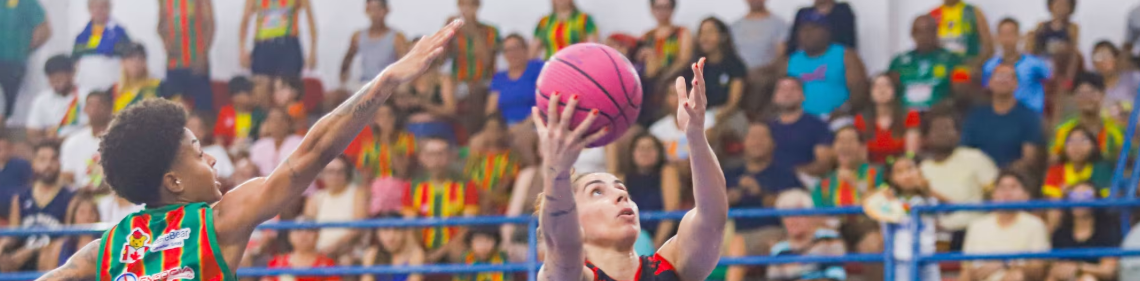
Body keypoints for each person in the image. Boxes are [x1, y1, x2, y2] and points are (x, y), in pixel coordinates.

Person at [33, 19, 462, 281]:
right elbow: (310, 155)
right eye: (199, 154)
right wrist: (385, 82)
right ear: (174, 181)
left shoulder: (111, 247)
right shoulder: (216, 221)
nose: (212, 159)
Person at [534, 58, 727, 281]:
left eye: (621, 189)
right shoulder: (569, 274)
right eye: (597, 191)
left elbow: (712, 216)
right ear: (574, 217)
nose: (620, 195)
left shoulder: (670, 265)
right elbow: (562, 244)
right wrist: (557, 171)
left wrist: (695, 135)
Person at [724, 122, 804, 281]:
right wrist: (727, 199)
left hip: (770, 231)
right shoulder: (730, 174)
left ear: (772, 143)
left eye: (762, 137)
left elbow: (797, 206)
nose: (757, 142)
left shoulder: (785, 174)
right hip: (731, 234)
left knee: (772, 245)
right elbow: (707, 209)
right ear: (744, 142)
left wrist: (760, 193)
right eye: (752, 137)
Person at [919, 112, 998, 251]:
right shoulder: (921, 169)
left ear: (958, 134)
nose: (942, 133)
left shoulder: (975, 158)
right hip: (933, 234)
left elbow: (995, 195)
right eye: (937, 129)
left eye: (948, 128)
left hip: (971, 231)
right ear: (926, 137)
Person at [401, 136, 480, 262]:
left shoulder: (466, 185)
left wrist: (440, 252)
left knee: (460, 252)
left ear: (450, 156)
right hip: (422, 245)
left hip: (454, 245)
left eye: (441, 153)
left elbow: (466, 226)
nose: (436, 159)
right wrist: (419, 250)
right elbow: (410, 226)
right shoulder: (412, 186)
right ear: (422, 157)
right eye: (431, 154)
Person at [960, 172, 1050, 281]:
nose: (1007, 193)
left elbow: (1039, 270)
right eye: (1002, 188)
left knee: (1017, 277)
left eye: (1013, 187)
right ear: (993, 194)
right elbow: (967, 270)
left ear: (1025, 195)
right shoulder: (977, 226)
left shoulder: (1035, 225)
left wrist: (1003, 264)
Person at [0, 142, 74, 273]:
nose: (48, 165)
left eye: (53, 159)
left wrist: (33, 250)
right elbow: (13, 233)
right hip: (22, 258)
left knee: (51, 251)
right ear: (34, 163)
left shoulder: (70, 197)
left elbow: (69, 238)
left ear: (59, 163)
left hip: (53, 259)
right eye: (42, 159)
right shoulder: (21, 198)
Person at [778, 18, 868, 118]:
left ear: (827, 32)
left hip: (839, 119)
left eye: (813, 29)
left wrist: (844, 110)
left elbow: (859, 91)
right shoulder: (789, 61)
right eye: (803, 30)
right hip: (799, 121)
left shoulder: (845, 55)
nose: (807, 34)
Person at [962, 64, 1045, 170]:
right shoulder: (976, 115)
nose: (1002, 80)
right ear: (989, 83)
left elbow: (1028, 158)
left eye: (1008, 77)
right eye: (998, 76)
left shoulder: (1029, 116)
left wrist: (1004, 176)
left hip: (1012, 177)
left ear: (1016, 84)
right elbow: (966, 151)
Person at [881, 156, 947, 281]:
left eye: (910, 169)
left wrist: (926, 190)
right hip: (902, 259)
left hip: (928, 257)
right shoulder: (888, 201)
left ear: (919, 171)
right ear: (892, 178)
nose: (906, 175)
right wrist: (886, 200)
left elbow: (946, 208)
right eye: (899, 172)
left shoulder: (928, 198)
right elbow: (874, 209)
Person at [888, 15, 969, 112]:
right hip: (905, 117)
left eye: (929, 31)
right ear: (912, 34)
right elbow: (889, 91)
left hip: (939, 115)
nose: (924, 36)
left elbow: (963, 92)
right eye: (919, 32)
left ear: (936, 32)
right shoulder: (898, 62)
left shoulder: (955, 60)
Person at [765, 189, 847, 281]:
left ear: (809, 215)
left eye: (798, 214)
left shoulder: (829, 238)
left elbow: (836, 276)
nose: (792, 221)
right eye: (787, 215)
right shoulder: (779, 250)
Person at [618, 133, 681, 248]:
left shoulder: (667, 171)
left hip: (663, 238)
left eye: (650, 148)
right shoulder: (623, 178)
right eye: (640, 148)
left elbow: (670, 213)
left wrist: (655, 247)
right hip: (633, 238)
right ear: (632, 153)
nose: (645, 152)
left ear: (659, 152)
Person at [1047, 182, 1120, 281]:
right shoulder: (1061, 233)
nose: (1079, 200)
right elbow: (1054, 267)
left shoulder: (1107, 230)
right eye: (1074, 196)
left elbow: (1109, 271)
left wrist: (1079, 268)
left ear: (1096, 199)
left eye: (1086, 196)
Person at [766, 77, 834, 179]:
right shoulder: (766, 128)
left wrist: (792, 173)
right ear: (774, 97)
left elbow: (824, 163)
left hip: (805, 182)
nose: (788, 93)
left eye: (793, 89)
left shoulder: (818, 125)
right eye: (782, 89)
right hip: (770, 182)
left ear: (803, 95)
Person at [982, 18, 1054, 115]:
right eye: (1003, 35)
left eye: (1011, 34)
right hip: (1002, 118)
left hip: (1031, 119)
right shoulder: (990, 66)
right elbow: (987, 93)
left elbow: (1054, 83)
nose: (1007, 39)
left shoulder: (1035, 64)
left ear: (1019, 37)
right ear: (997, 38)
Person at [239, 0, 317, 87]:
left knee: (288, 89)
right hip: (263, 47)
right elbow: (245, 21)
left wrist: (313, 51)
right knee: (261, 89)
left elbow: (310, 20)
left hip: (288, 46)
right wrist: (242, 49)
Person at [684, 17, 746, 126]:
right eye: (701, 33)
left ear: (723, 36)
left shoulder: (734, 65)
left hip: (726, 116)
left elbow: (733, 104)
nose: (704, 38)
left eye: (710, 32)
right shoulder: (695, 66)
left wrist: (712, 118)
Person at [303, 156, 368, 258]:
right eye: (330, 171)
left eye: (340, 171)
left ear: (347, 174)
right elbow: (307, 230)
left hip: (348, 252)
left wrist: (333, 249)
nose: (335, 176)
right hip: (319, 253)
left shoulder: (357, 193)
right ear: (323, 174)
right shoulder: (315, 198)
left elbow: (357, 229)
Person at [1051, 73, 1124, 162]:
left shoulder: (1115, 131)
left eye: (1092, 92)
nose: (1086, 98)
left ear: (1102, 94)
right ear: (1074, 97)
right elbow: (1053, 161)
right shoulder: (1063, 130)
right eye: (1081, 93)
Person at [158, 0, 216, 112]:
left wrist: (202, 55)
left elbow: (210, 25)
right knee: (173, 110)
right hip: (174, 63)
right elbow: (160, 25)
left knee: (202, 110)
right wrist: (166, 43)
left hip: (196, 62)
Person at [852, 74, 921, 164]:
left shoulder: (910, 116)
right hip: (873, 169)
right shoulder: (861, 120)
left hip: (901, 168)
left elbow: (911, 154)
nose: (882, 90)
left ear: (895, 90)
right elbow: (862, 156)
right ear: (870, 93)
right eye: (877, 87)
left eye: (887, 86)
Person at [341, 0, 407, 90]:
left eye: (378, 9)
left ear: (386, 10)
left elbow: (405, 67)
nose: (374, 14)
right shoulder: (358, 37)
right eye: (371, 9)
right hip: (363, 86)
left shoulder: (397, 38)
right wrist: (344, 82)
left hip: (386, 88)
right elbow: (347, 61)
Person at [0, 0, 50, 120]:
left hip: (13, 61)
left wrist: (24, 49)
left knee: (9, 106)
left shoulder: (25, 2)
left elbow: (44, 30)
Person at [812, 126, 883, 208]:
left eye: (850, 141)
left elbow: (884, 202)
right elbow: (817, 214)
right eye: (840, 141)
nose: (845, 146)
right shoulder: (825, 183)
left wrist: (854, 182)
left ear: (863, 148)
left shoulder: (877, 173)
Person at [649, 81, 716, 162]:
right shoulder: (656, 130)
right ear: (666, 99)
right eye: (673, 94)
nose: (679, 98)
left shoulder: (707, 120)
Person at [59, 91, 112, 192]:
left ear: (110, 108)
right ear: (85, 109)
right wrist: (80, 190)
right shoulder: (73, 141)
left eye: (100, 105)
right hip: (82, 197)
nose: (95, 109)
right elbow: (66, 176)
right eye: (91, 105)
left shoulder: (122, 139)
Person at [466, 117, 521, 215]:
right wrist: (483, 199)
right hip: (478, 203)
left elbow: (506, 183)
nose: (493, 132)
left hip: (501, 204)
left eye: (497, 129)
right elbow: (470, 180)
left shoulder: (511, 157)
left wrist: (490, 198)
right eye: (489, 129)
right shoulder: (476, 157)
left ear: (504, 132)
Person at [27, 55, 88, 143]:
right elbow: (32, 131)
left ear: (72, 74)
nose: (56, 81)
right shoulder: (41, 100)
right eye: (52, 77)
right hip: (50, 146)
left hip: (78, 144)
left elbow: (90, 128)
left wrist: (64, 139)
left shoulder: (85, 96)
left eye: (60, 77)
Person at [486, 35, 544, 127]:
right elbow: (491, 110)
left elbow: (545, 105)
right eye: (507, 50)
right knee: (478, 141)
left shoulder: (538, 69)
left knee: (520, 140)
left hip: (533, 124)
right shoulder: (499, 78)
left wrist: (523, 126)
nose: (512, 54)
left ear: (525, 50)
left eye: (515, 48)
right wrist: (493, 127)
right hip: (505, 127)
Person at [1027, 0, 1082, 95]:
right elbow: (1032, 48)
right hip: (1043, 64)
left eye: (1065, 5)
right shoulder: (1042, 26)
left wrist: (1069, 77)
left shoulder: (1072, 28)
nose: (1061, 8)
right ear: (1051, 6)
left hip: (1061, 68)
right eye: (1057, 4)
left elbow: (1073, 54)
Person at [73, 0, 130, 91]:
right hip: (87, 85)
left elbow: (128, 58)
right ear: (89, 9)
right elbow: (75, 61)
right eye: (95, 7)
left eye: (103, 7)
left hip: (112, 84)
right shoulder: (81, 36)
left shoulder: (119, 32)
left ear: (109, 8)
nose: (99, 10)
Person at [350, 102, 415, 181]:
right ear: (375, 120)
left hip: (400, 185)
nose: (386, 119)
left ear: (395, 118)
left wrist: (387, 140)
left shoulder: (407, 139)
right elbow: (366, 176)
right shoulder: (369, 145)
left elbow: (403, 172)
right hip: (377, 187)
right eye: (381, 116)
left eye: (389, 115)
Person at [1043, 127, 1112, 201]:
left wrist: (1072, 192)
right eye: (1071, 141)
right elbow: (1052, 201)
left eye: (1083, 141)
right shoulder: (1056, 171)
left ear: (1094, 146)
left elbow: (1106, 199)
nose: (1076, 146)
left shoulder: (1102, 170)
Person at [263, 217, 341, 281]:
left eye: (309, 230)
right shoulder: (277, 263)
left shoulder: (327, 265)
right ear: (290, 236)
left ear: (317, 235)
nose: (303, 234)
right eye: (298, 230)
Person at [40, 193, 100, 271]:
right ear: (73, 216)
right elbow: (51, 274)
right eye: (82, 212)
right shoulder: (61, 246)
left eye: (91, 212)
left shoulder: (103, 244)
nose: (87, 217)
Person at [362, 212, 425, 281]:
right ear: (378, 233)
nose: (391, 236)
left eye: (397, 229)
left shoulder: (415, 254)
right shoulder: (372, 254)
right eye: (385, 229)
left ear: (404, 232)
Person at [929, 0, 994, 66]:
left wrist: (975, 65)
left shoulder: (973, 12)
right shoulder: (933, 14)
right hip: (940, 68)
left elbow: (989, 47)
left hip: (968, 68)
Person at [640, 0, 693, 80]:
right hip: (650, 80)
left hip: (674, 80)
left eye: (666, 7)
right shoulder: (648, 35)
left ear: (672, 9)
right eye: (658, 7)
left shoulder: (681, 32)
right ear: (652, 9)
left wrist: (664, 77)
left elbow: (684, 60)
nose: (662, 11)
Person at [111, 43, 170, 114]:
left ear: (145, 62)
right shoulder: (114, 90)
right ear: (123, 62)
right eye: (131, 58)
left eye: (140, 58)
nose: (136, 62)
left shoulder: (157, 86)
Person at [1090, 41, 1140, 121]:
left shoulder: (1133, 79)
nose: (1103, 61)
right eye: (1098, 57)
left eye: (1107, 56)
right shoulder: (1090, 87)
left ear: (1116, 58)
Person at [532, 0, 598, 59]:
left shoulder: (584, 19)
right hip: (551, 67)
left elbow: (593, 47)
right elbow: (533, 50)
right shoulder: (545, 22)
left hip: (577, 66)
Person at [250, 108, 304, 178]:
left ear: (288, 123)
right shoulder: (259, 146)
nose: (277, 124)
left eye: (281, 120)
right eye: (273, 120)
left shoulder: (299, 142)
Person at [786, 0, 857, 53]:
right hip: (805, 60)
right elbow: (792, 45)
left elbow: (849, 43)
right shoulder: (802, 12)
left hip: (835, 60)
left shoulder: (842, 10)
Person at [214, 76, 266, 148]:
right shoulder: (225, 112)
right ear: (235, 97)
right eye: (249, 94)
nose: (254, 97)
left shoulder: (259, 114)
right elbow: (219, 138)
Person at [187, 112, 235, 183]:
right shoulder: (181, 155)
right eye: (188, 127)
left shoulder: (217, 150)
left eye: (193, 127)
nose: (190, 131)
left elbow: (230, 176)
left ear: (202, 131)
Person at [0, 135, 32, 225]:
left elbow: (30, 186)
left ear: (11, 149)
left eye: (5, 148)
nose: (2, 152)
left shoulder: (22, 165)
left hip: (18, 212)